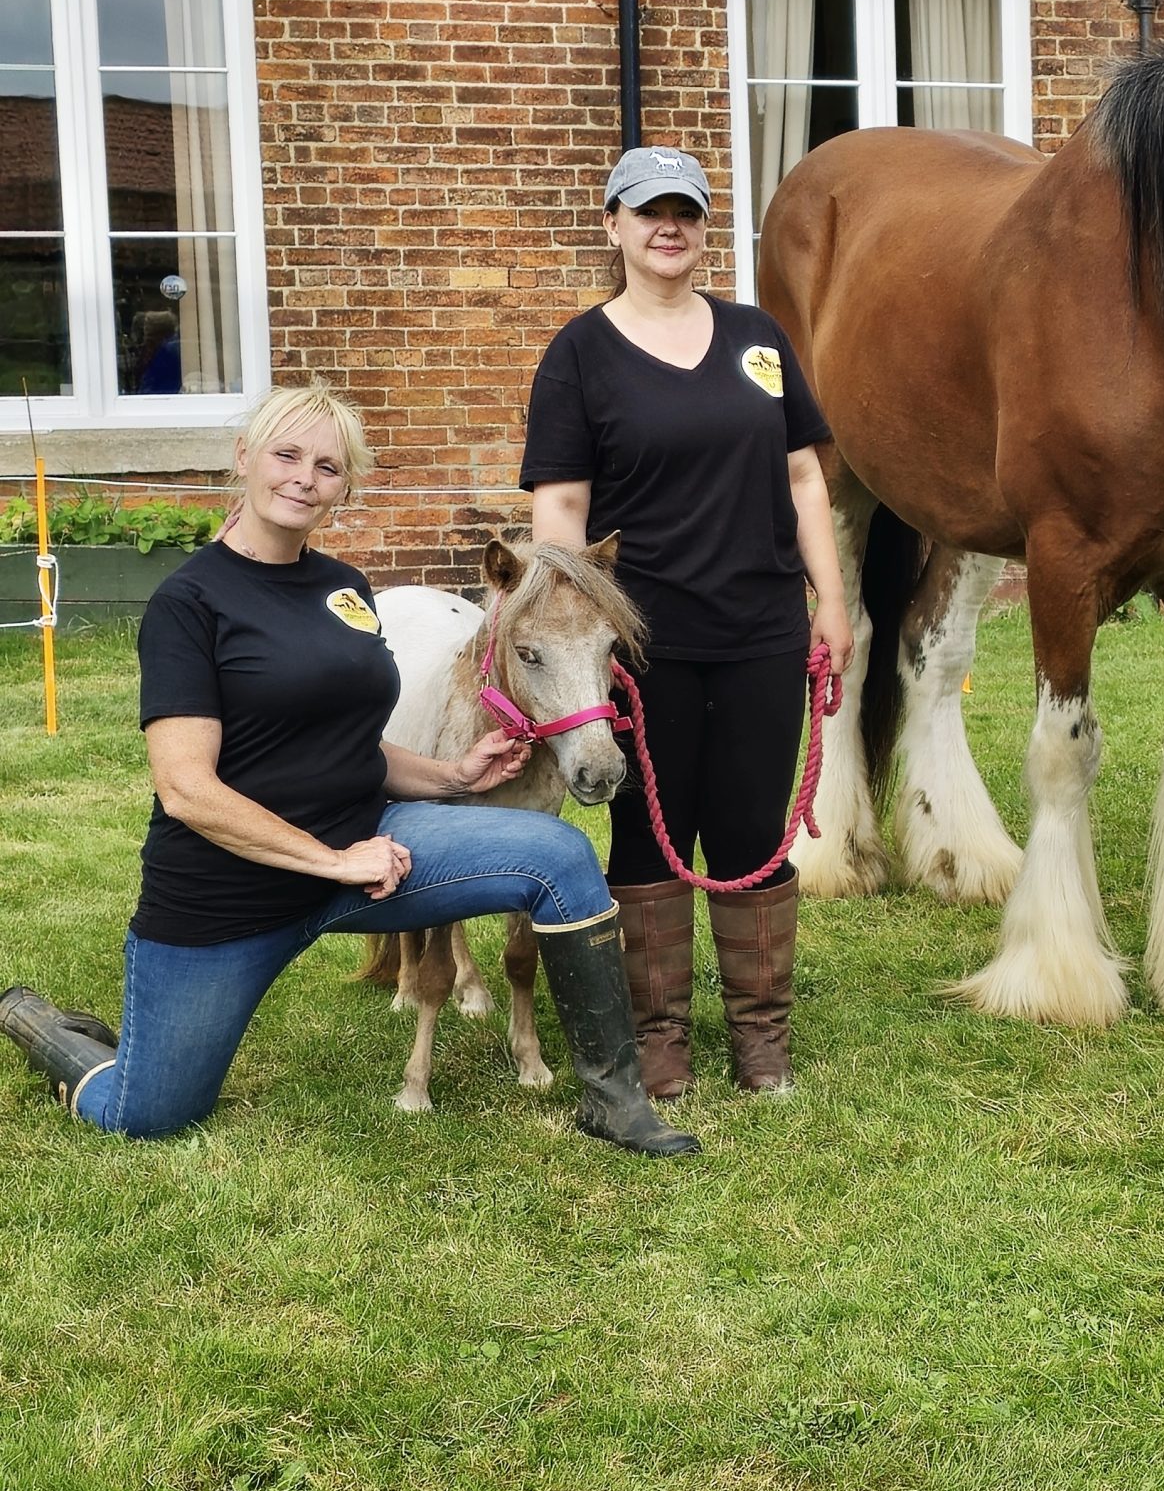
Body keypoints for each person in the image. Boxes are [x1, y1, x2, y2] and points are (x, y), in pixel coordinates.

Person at [0, 385, 696, 1155]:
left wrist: (455, 777)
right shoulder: (188, 603)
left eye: (327, 466)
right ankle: (40, 1026)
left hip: (380, 854)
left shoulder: (346, 591)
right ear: (245, 459)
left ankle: (616, 1102)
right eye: (287, 455)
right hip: (231, 893)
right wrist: (333, 859)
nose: (304, 477)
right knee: (148, 1111)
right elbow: (187, 790)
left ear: (345, 486)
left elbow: (351, 747)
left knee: (559, 854)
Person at [523, 145, 851, 1099]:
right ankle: (659, 1035)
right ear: (613, 225)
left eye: (688, 212)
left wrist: (828, 601)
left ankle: (761, 1037)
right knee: (641, 835)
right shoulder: (579, 353)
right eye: (648, 210)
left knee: (753, 832)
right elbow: (561, 516)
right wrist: (578, 636)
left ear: (706, 229)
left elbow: (802, 478)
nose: (670, 226)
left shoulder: (757, 337)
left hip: (760, 628)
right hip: (637, 649)